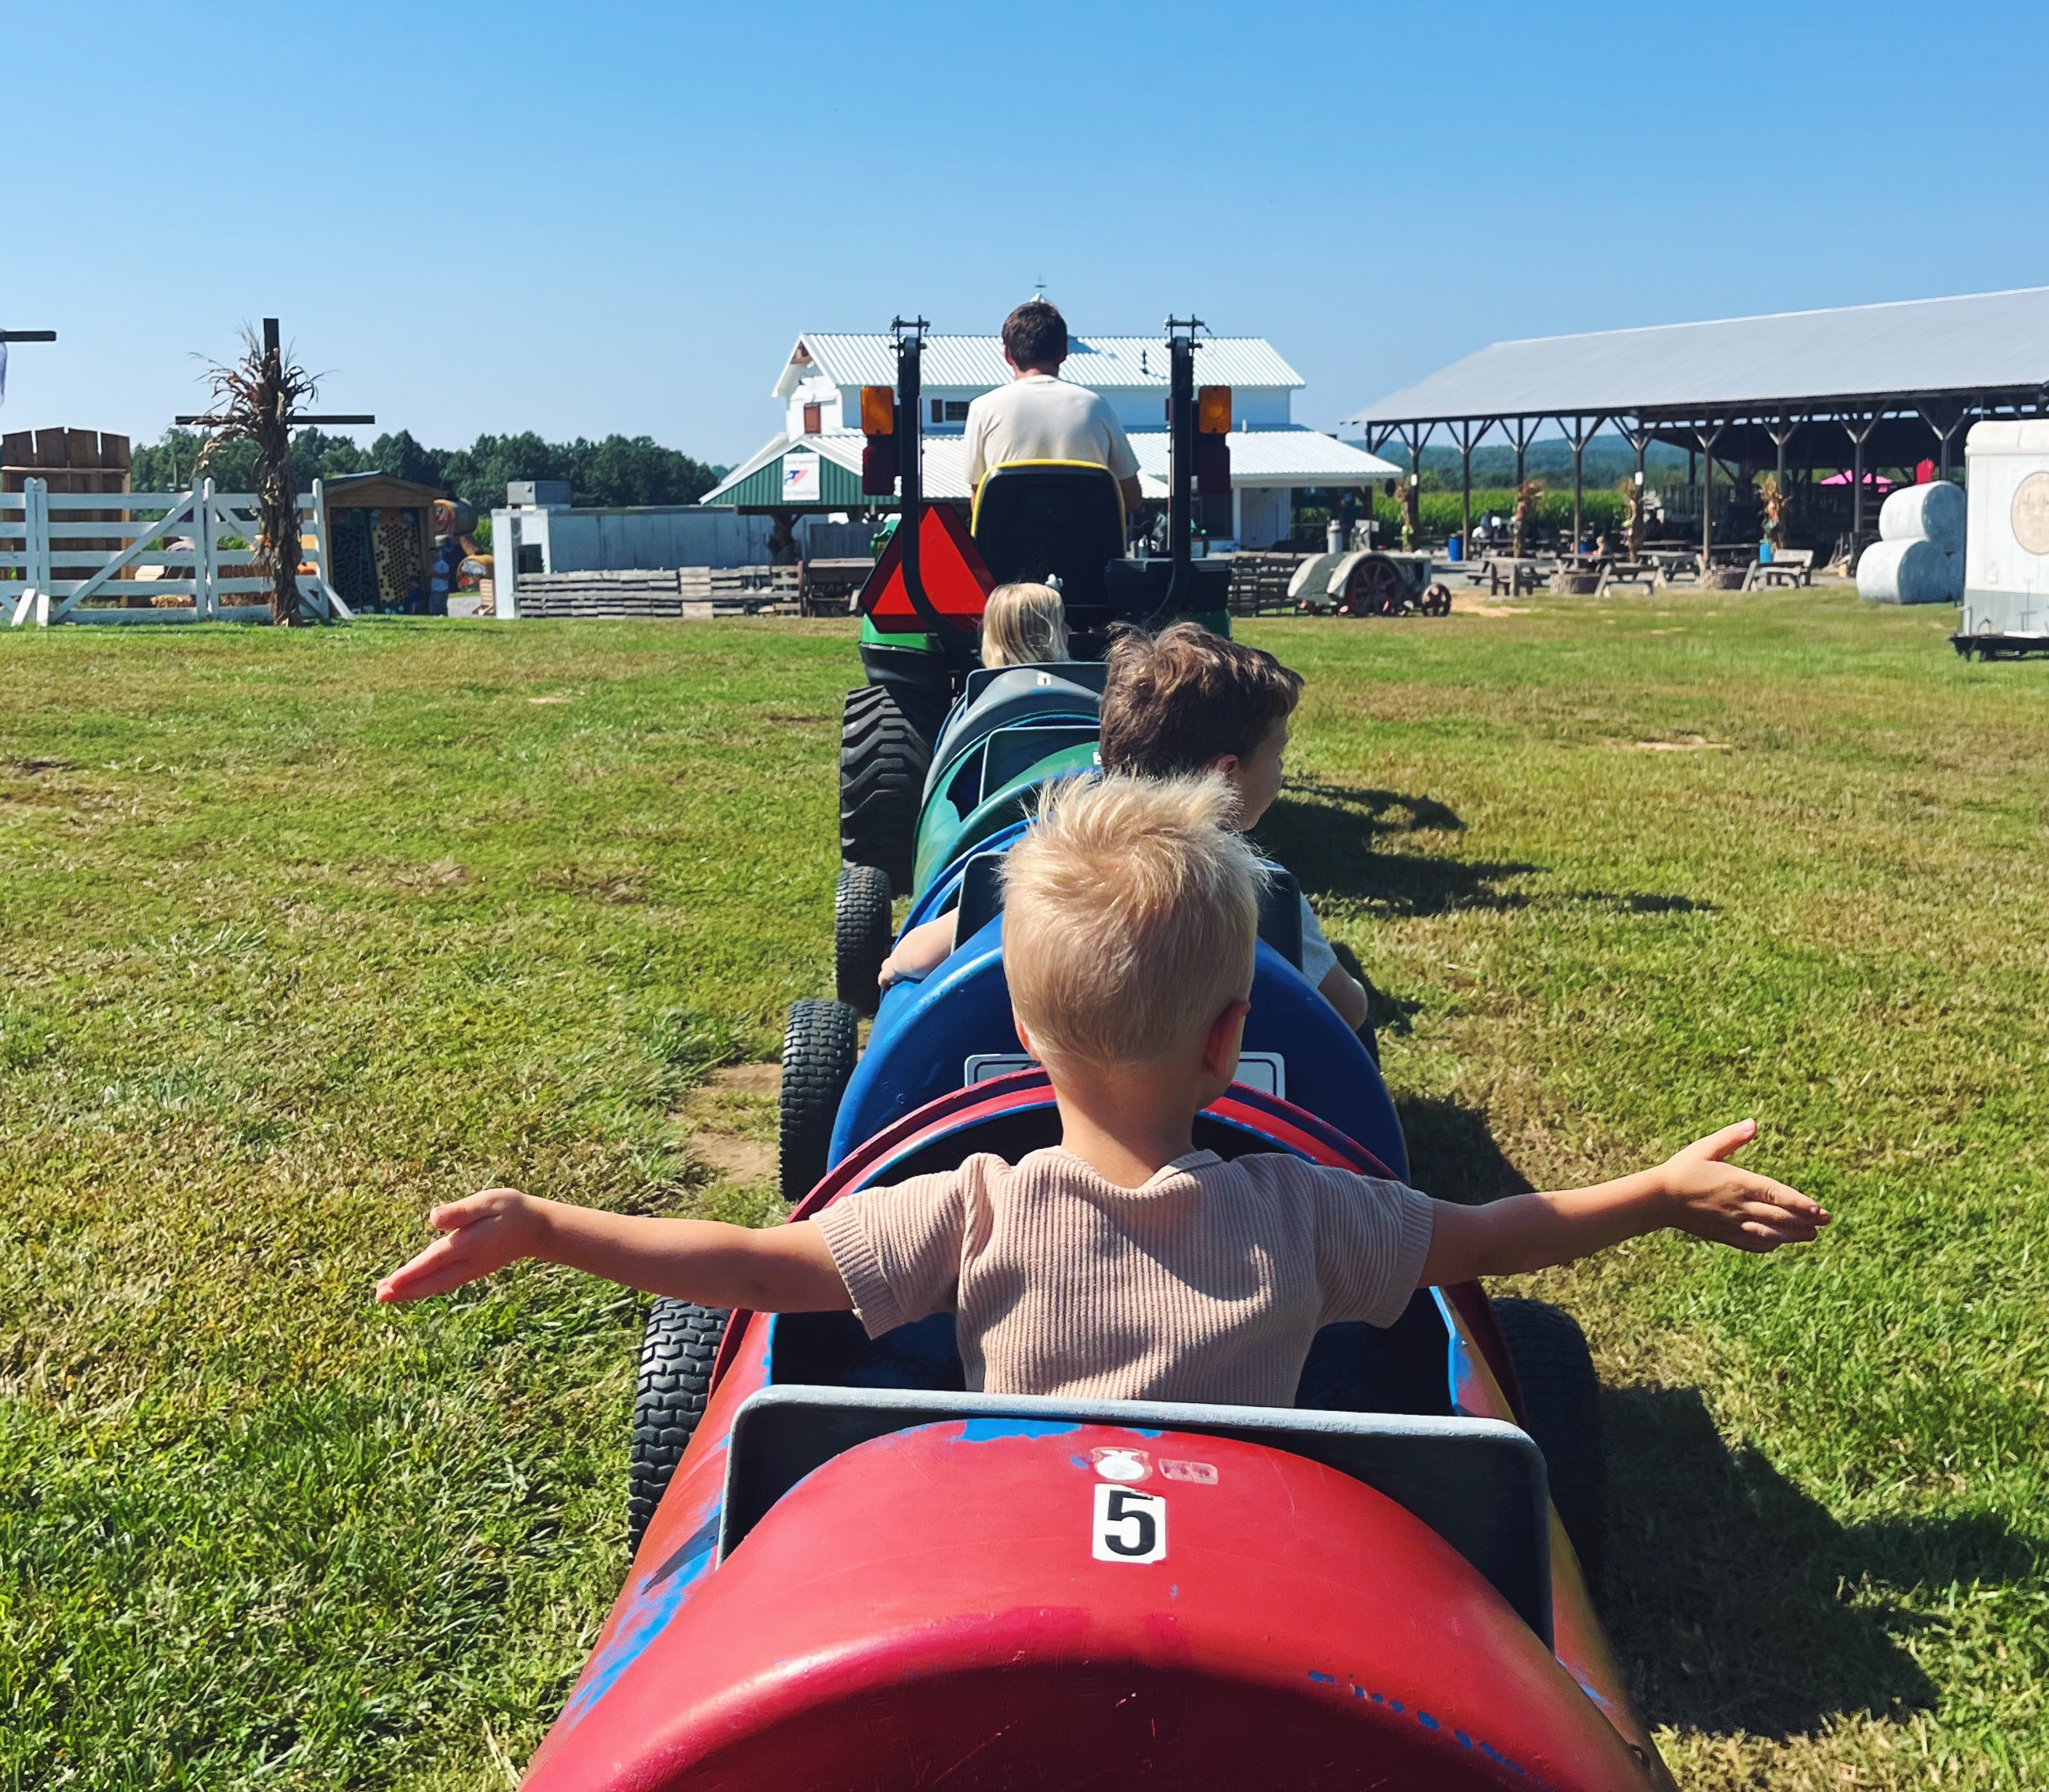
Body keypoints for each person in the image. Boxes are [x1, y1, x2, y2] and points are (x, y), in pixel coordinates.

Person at [374, 773, 1824, 1405]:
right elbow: (1500, 1235)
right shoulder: (1311, 1217)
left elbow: (748, 1267)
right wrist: (1657, 1193)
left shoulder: (970, 1209)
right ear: (1227, 1041)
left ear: (1008, 1024)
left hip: (1023, 1578)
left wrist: (550, 1224)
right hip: (1254, 1592)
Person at [877, 620, 1355, 1017]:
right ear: (1225, 773)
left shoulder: (1057, 870)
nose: (1281, 771)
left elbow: (922, 954)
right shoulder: (1264, 892)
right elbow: (1348, 1011)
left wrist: (897, 962)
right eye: (1278, 754)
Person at [961, 300, 1145, 522]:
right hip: (1089, 553)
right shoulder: (1097, 407)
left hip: (1009, 554)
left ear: (1008, 355)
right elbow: (1132, 498)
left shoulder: (983, 409)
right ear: (1064, 352)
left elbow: (979, 499)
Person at [980, 581, 1070, 669]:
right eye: (1060, 624)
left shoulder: (991, 682)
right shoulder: (1073, 680)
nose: (1069, 629)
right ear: (1039, 636)